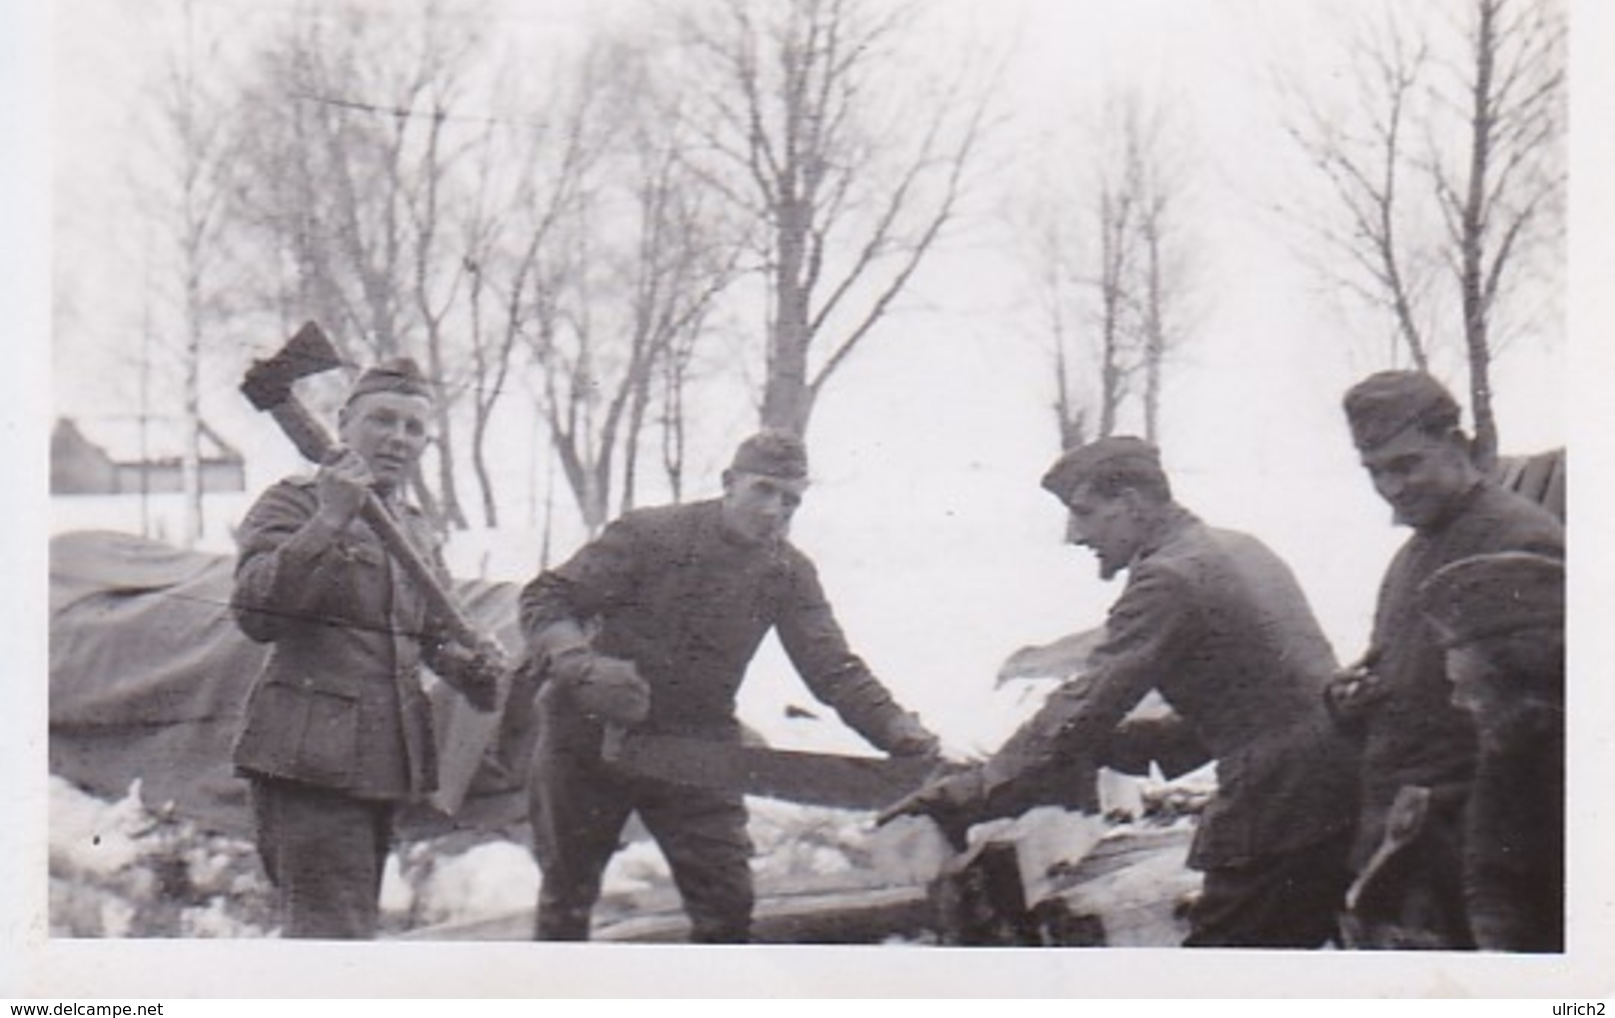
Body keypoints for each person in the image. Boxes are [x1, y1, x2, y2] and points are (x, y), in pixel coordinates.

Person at [888, 436, 1360, 948]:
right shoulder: (1236, 547)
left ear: (1132, 504)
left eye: (1084, 512)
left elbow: (1084, 705)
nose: (1074, 534)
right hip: (1331, 789)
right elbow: (1257, 699)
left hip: (1280, 812)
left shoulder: (1168, 578)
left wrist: (977, 790)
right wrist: (1117, 746)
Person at [517, 430, 940, 943]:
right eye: (763, 490)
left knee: (727, 905)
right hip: (588, 737)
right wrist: (579, 665)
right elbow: (546, 598)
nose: (774, 510)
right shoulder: (649, 534)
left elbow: (832, 667)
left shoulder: (787, 572)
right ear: (729, 482)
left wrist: (896, 729)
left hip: (696, 748)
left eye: (790, 500)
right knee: (567, 899)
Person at [230, 358, 498, 939]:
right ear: (344, 424)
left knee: (344, 934)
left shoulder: (414, 527)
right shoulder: (294, 503)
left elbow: (429, 637)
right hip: (308, 767)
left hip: (384, 766)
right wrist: (328, 520)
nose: (398, 439)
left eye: (414, 428)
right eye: (383, 420)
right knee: (334, 939)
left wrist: (470, 666)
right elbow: (254, 614)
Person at [1328, 370, 1564, 949]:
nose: (1390, 486)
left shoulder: (1519, 541)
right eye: (1375, 471)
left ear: (1457, 447)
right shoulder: (1414, 554)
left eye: (1407, 464)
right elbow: (1394, 667)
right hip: (1406, 843)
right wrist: (1348, 696)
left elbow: (1535, 737)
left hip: (1467, 849)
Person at [1420, 551, 1565, 952]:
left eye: (1471, 687)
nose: (1457, 702)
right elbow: (1491, 869)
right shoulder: (1508, 743)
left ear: (1519, 679)